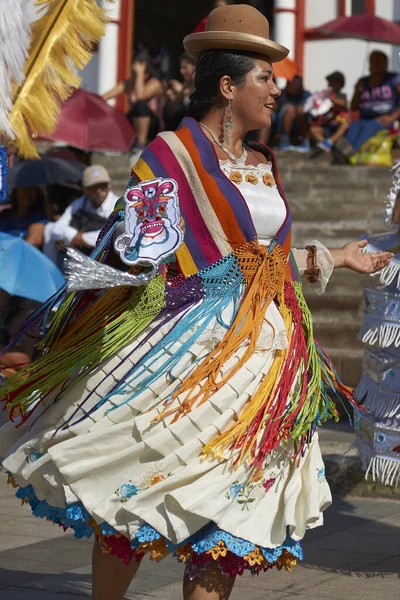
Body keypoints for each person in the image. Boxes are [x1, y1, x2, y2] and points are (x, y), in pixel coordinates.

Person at [0, 6, 393, 600]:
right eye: (265, 77)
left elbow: (267, 260)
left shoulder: (265, 164)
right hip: (187, 348)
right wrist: (53, 330)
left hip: (263, 358)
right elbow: (125, 253)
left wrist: (337, 257)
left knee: (225, 520)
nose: (277, 88)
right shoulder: (169, 156)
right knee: (139, 494)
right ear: (228, 85)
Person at [338, 50, 400, 161]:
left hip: (384, 120)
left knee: (370, 126)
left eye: (378, 61)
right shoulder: (363, 81)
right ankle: (347, 150)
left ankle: (352, 153)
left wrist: (392, 117)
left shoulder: (393, 79)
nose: (374, 64)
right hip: (364, 118)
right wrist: (357, 92)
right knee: (355, 126)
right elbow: (353, 106)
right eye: (372, 61)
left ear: (385, 63)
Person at [48, 165, 117, 261]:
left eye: (103, 186)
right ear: (85, 190)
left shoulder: (117, 205)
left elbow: (113, 235)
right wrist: (72, 235)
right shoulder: (80, 203)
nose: (99, 191)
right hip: (80, 252)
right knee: (48, 228)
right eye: (94, 187)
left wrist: (82, 238)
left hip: (105, 258)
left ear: (109, 186)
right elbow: (56, 229)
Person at [103, 51, 163, 156]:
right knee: (117, 115)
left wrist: (140, 74)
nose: (134, 75)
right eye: (134, 71)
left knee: (141, 105)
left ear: (147, 72)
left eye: (138, 72)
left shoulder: (155, 83)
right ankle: (116, 144)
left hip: (152, 124)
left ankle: (141, 143)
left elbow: (140, 96)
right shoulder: (128, 83)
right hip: (135, 121)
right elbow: (105, 97)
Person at [308, 71, 350, 158]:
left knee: (345, 124)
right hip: (328, 125)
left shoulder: (341, 95)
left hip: (338, 124)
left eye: (333, 82)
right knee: (314, 130)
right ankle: (328, 147)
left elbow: (343, 103)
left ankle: (328, 143)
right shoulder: (325, 95)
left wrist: (332, 99)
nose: (330, 85)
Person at [275, 76, 311, 152]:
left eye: (298, 84)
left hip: (301, 122)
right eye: (293, 83)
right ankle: (284, 141)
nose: (295, 86)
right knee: (290, 109)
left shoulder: (306, 94)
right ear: (288, 84)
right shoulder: (281, 93)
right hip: (281, 123)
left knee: (301, 110)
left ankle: (305, 141)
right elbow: (277, 109)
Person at [163, 53, 196, 131]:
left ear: (195, 66)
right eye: (181, 68)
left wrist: (181, 91)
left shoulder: (200, 84)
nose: (181, 71)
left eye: (185, 68)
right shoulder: (186, 83)